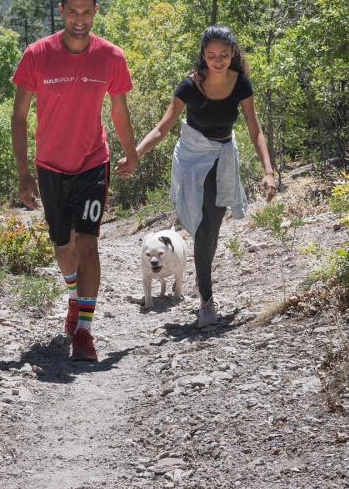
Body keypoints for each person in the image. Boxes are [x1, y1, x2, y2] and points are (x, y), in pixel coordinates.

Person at [11, 0, 138, 362]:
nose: (79, 19)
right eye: (72, 12)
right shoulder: (37, 54)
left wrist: (131, 153)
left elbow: (119, 110)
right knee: (64, 248)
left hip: (92, 163)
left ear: (95, 10)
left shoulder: (111, 57)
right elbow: (18, 116)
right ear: (61, 11)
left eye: (86, 12)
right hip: (50, 166)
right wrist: (23, 173)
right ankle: (73, 296)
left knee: (88, 243)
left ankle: (84, 331)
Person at [117, 25, 276, 328]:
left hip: (222, 157)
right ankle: (207, 300)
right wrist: (135, 155)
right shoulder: (189, 86)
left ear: (233, 55)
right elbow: (162, 128)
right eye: (212, 55)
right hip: (191, 158)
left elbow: (255, 129)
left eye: (225, 55)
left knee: (212, 229)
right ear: (203, 55)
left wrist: (268, 171)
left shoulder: (240, 84)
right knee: (201, 228)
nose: (218, 60)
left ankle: (202, 279)